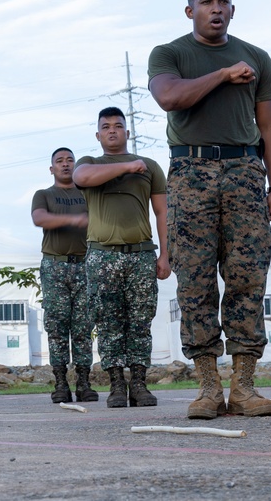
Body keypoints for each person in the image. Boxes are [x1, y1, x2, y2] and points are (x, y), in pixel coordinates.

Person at [148, 0, 271, 419]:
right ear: (191, 11)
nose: (216, 8)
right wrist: (224, 74)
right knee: (196, 281)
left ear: (232, 8)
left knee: (248, 278)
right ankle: (208, 388)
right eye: (206, 1)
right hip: (190, 172)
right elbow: (170, 98)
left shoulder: (257, 58)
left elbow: (270, 126)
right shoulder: (170, 54)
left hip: (246, 171)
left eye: (223, 0)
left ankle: (243, 388)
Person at [73, 108, 170, 409]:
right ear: (98, 135)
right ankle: (116, 384)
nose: (112, 131)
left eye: (118, 126)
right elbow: (82, 177)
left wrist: (166, 254)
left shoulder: (150, 167)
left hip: (141, 254)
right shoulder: (90, 163)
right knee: (108, 322)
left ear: (128, 133)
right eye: (106, 127)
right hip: (103, 255)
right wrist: (127, 168)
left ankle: (139, 384)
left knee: (141, 322)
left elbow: (163, 212)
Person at [31, 148, 97, 403]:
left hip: (84, 265)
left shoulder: (88, 194)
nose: (66, 164)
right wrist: (75, 220)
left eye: (70, 160)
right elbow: (39, 218)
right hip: (55, 265)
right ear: (52, 169)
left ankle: (84, 382)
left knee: (83, 326)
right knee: (57, 326)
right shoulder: (44, 195)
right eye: (60, 161)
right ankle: (60, 383)